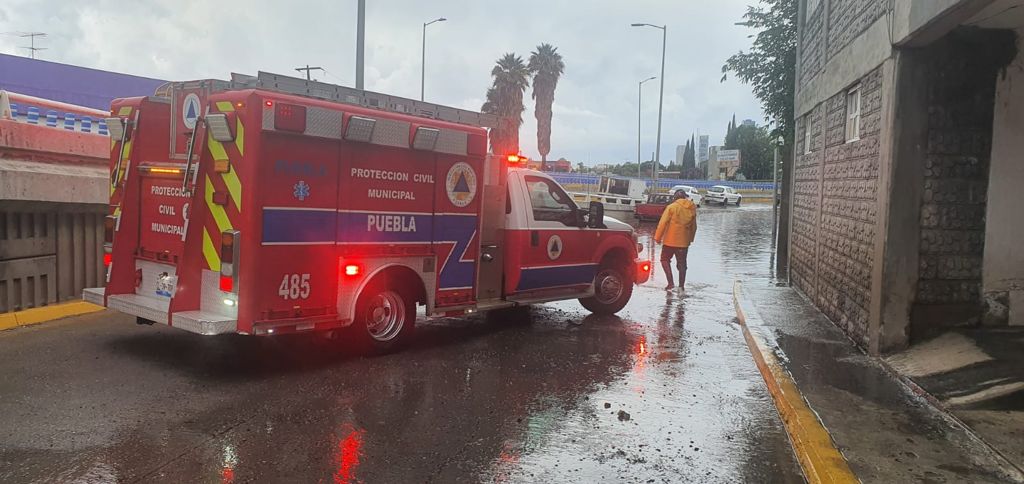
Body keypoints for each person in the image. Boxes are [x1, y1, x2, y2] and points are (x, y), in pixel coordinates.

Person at [653, 189, 698, 290]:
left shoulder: (671, 207)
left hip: (669, 241)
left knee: (664, 259)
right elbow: (694, 226)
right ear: (684, 197)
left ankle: (670, 283)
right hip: (683, 242)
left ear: (675, 198)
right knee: (682, 264)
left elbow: (662, 223)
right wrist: (690, 239)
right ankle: (681, 286)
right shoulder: (691, 209)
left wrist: (657, 237)